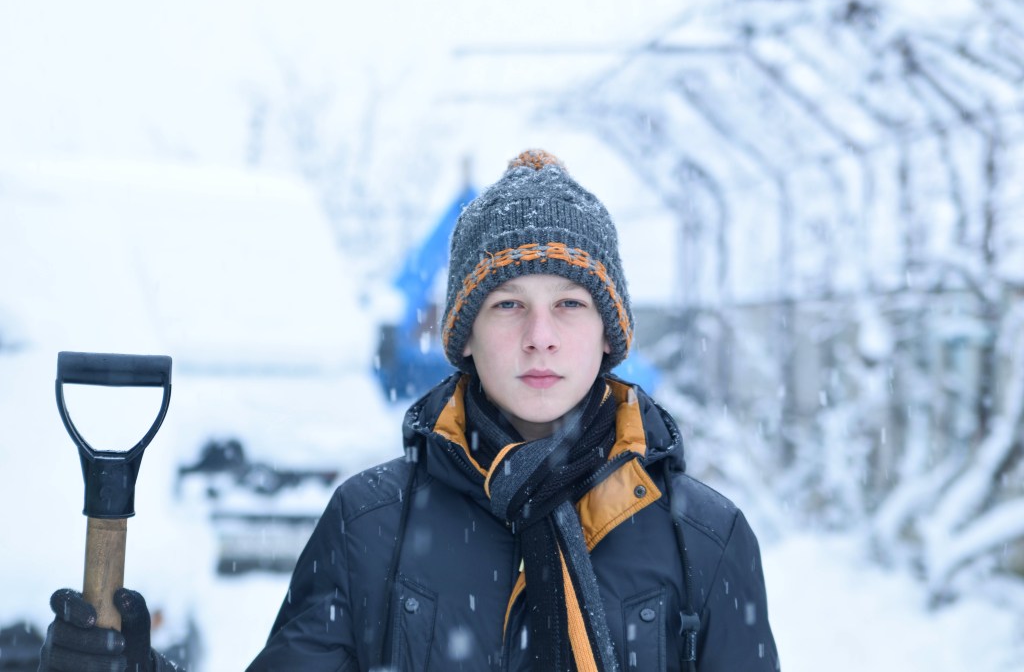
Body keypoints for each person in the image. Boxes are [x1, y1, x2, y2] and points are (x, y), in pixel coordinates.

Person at [39, 150, 779, 671]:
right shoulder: (373, 526)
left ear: (609, 334)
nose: (540, 335)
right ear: (464, 336)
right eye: (508, 304)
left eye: (571, 304)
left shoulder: (701, 541)